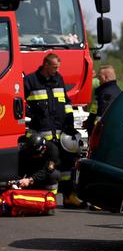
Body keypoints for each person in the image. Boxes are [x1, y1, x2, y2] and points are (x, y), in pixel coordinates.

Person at [23, 53, 79, 207]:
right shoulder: (30, 81)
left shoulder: (58, 79)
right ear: (46, 65)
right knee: (50, 166)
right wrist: (32, 115)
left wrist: (70, 125)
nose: (57, 70)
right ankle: (48, 198)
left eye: (58, 67)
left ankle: (68, 197)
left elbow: (66, 103)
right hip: (41, 134)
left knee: (67, 164)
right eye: (54, 67)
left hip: (60, 132)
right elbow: (20, 105)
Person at [84, 65, 121, 135]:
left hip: (100, 134)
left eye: (100, 77)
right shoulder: (109, 91)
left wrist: (95, 130)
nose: (98, 79)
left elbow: (102, 115)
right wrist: (89, 121)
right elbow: (95, 109)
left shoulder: (107, 94)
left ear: (106, 77)